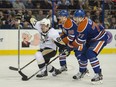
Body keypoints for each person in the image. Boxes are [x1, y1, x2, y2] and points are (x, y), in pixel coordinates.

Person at [70, 9, 108, 82]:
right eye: (74, 17)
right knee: (82, 54)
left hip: (100, 38)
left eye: (76, 18)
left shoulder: (83, 26)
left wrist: (70, 46)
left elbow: (79, 42)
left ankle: (98, 74)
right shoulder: (84, 21)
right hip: (92, 39)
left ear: (81, 18)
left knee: (90, 53)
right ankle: (82, 71)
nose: (74, 20)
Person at [58, 10, 89, 74]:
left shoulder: (69, 23)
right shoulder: (63, 22)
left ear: (65, 17)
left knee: (78, 55)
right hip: (71, 40)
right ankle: (63, 66)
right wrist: (61, 36)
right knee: (61, 50)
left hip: (77, 41)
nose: (59, 17)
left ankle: (84, 69)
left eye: (61, 16)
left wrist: (62, 42)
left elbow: (71, 36)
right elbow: (65, 32)